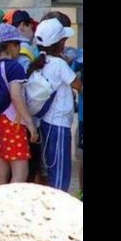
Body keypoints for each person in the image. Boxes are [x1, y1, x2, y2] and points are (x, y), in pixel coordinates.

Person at [28, 18, 82, 191]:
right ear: (59, 43)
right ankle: (58, 203)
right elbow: (78, 85)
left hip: (47, 122)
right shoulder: (59, 64)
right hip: (59, 123)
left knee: (52, 167)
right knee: (60, 171)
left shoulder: (42, 61)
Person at [0, 23, 38, 185]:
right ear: (9, 46)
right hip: (13, 122)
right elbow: (16, 96)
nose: (19, 48)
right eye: (17, 44)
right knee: (20, 171)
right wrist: (29, 123)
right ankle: (13, 200)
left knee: (0, 172)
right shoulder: (15, 67)